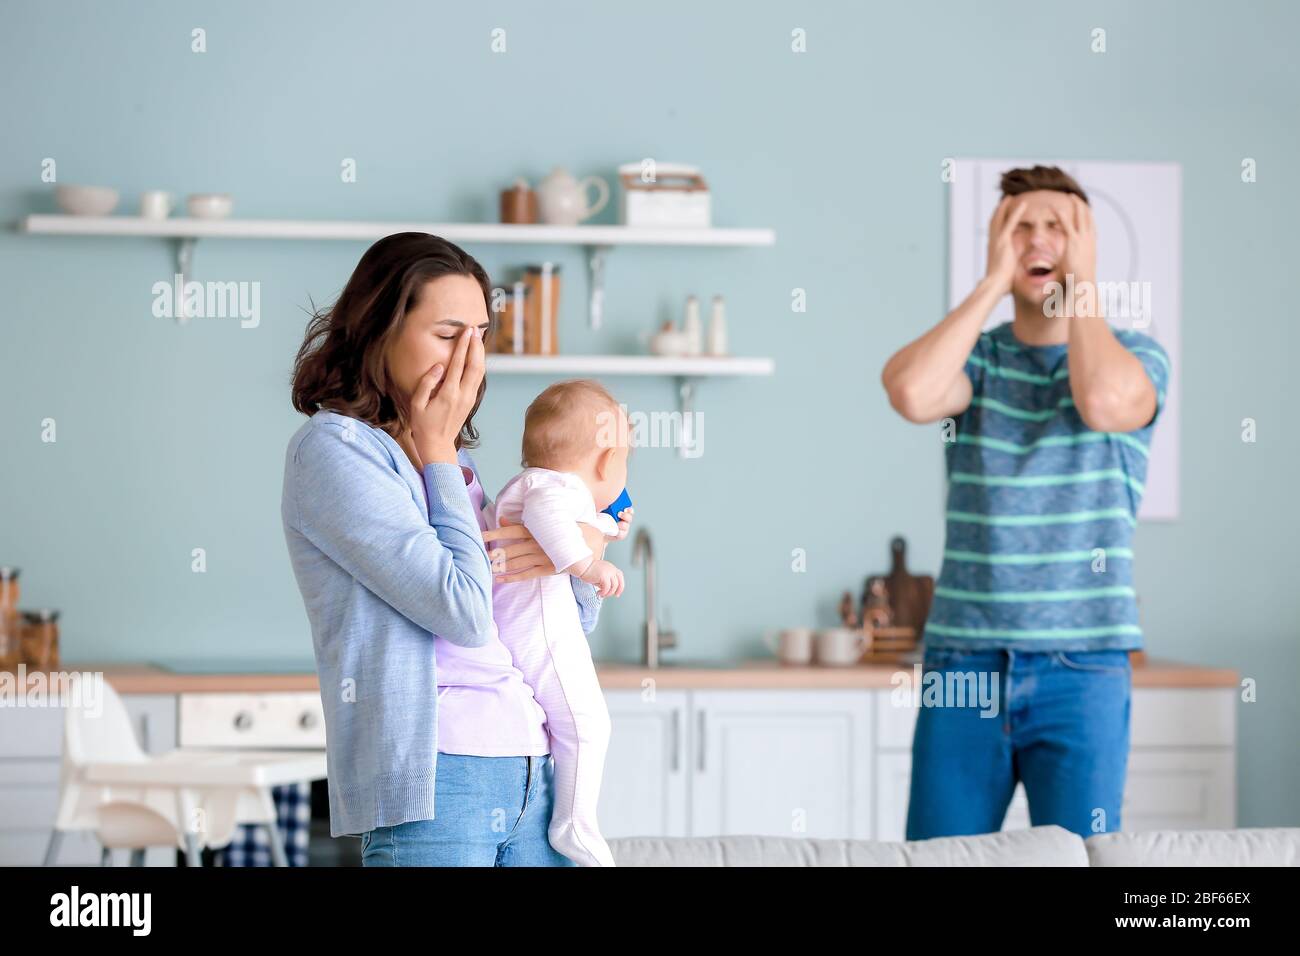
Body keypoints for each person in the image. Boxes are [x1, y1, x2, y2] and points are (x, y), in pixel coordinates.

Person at [283, 232, 612, 865]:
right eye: (447, 333)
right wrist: (436, 449)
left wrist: (578, 547)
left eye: (481, 335)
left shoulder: (452, 460)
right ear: (381, 328)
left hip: (533, 768)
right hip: (438, 777)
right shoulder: (334, 451)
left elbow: (565, 618)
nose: (471, 357)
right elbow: (462, 612)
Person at [881, 166, 1170, 839]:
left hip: (1086, 665)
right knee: (938, 864)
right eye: (1020, 227)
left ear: (1088, 241)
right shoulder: (977, 363)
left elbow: (1099, 402)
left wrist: (1082, 284)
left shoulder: (1138, 359)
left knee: (1087, 862)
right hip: (964, 663)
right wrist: (991, 283)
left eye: (1057, 227)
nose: (1037, 240)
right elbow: (911, 394)